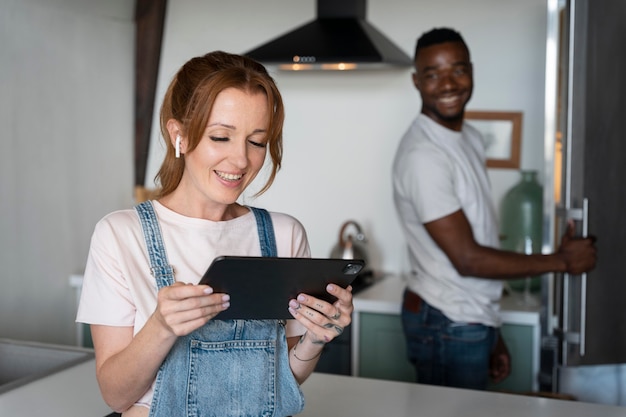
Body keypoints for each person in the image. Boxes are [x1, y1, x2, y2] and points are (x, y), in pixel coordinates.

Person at [76, 51, 353, 417]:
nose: (240, 160)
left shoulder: (285, 234)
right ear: (180, 135)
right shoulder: (121, 235)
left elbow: (280, 381)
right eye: (221, 137)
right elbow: (115, 394)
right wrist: (161, 326)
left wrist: (314, 339)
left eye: (256, 141)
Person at [392, 28, 597, 391]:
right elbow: (468, 259)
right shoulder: (424, 155)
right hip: (446, 321)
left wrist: (491, 327)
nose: (448, 83)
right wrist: (562, 261)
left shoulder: (467, 136)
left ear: (471, 70)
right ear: (416, 81)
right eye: (433, 74)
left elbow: (479, 236)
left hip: (467, 318)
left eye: (457, 69)